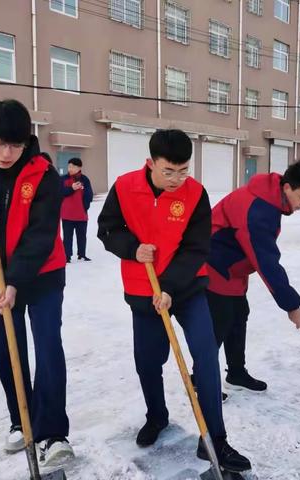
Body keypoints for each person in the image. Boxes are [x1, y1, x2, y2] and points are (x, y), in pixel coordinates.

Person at [97, 129, 251, 474]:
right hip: (142, 289)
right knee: (148, 361)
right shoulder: (124, 187)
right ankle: (157, 416)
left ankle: (215, 438)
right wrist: (132, 249)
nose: (177, 179)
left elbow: (197, 247)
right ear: (151, 163)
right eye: (169, 171)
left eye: (183, 170)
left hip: (186, 288)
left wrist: (168, 286)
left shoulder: (195, 194)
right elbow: (107, 229)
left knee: (206, 357)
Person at [0, 99, 73, 467]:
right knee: (6, 352)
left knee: (47, 350)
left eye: (16, 144)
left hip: (42, 274)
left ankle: (53, 432)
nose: (8, 152)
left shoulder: (43, 173)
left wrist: (14, 281)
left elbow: (42, 233)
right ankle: (21, 420)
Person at [206, 161, 300, 392]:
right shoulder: (259, 210)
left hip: (233, 264)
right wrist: (292, 305)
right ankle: (201, 380)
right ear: (287, 187)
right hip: (215, 263)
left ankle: (236, 372)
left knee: (239, 315)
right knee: (221, 321)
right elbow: (266, 262)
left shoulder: (271, 196)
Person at [61, 157, 93, 262]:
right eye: (69, 166)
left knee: (82, 236)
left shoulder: (84, 179)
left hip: (81, 214)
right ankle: (67, 256)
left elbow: (89, 194)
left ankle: (82, 254)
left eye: (73, 166)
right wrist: (72, 188)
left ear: (79, 167)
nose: (70, 168)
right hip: (67, 214)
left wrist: (85, 206)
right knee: (67, 237)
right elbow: (59, 192)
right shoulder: (63, 179)